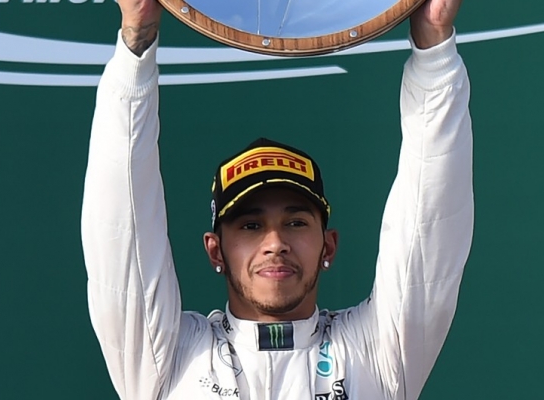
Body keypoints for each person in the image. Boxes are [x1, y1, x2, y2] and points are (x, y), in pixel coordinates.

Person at [81, 0, 473, 398]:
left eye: (296, 222)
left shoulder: (376, 355)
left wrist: (434, 50)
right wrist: (137, 40)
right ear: (216, 251)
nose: (275, 243)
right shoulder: (167, 361)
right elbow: (123, 223)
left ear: (328, 245)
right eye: (251, 225)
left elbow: (430, 217)